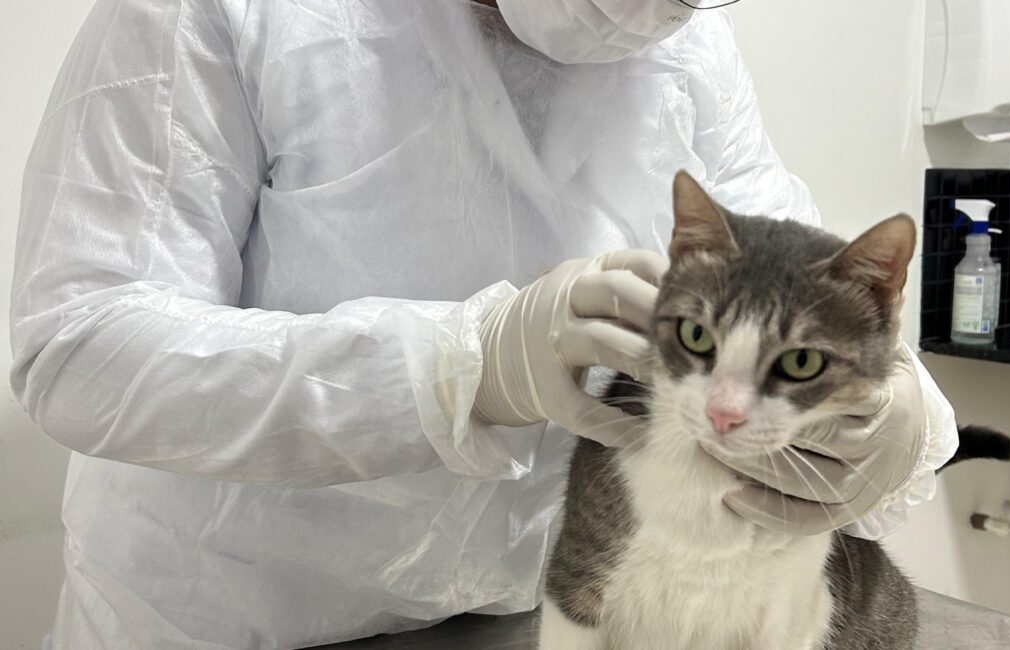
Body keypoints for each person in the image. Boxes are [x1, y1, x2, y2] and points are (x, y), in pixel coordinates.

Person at [9, 0, 958, 647]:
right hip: (233, 623)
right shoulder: (232, 14)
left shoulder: (688, 44)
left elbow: (804, 275)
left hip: (529, 614)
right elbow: (78, 347)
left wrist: (900, 420)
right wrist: (458, 370)